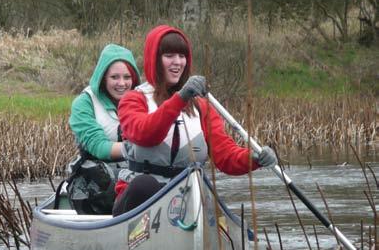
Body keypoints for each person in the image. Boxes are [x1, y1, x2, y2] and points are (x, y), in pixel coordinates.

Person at [112, 25, 276, 216]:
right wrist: (180, 99)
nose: (177, 62)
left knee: (207, 198)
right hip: (139, 200)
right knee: (144, 185)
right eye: (169, 56)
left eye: (182, 56)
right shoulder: (133, 99)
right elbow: (146, 134)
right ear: (154, 59)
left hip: (185, 199)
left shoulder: (201, 106)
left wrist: (254, 158)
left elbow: (225, 156)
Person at [67, 44, 141, 214]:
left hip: (135, 173)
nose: (122, 83)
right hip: (96, 181)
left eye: (127, 77)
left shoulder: (144, 99)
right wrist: (138, 149)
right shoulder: (83, 104)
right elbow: (99, 147)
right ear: (103, 78)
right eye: (114, 77)